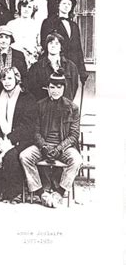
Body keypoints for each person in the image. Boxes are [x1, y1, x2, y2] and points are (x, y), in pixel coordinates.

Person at [19, 72, 82, 208]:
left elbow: (74, 135)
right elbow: (35, 132)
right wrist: (44, 146)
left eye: (59, 87)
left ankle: (59, 192)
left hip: (64, 147)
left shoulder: (72, 108)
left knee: (76, 160)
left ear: (64, 88)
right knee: (25, 156)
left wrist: (59, 148)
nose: (55, 91)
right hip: (44, 145)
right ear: (47, 88)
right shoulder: (40, 105)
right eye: (52, 87)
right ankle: (41, 193)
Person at [0, 67, 36, 203]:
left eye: (10, 78)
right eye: (4, 78)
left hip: (20, 139)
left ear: (17, 79)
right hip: (1, 138)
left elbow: (28, 125)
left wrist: (10, 140)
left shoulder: (27, 97)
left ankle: (14, 193)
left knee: (12, 155)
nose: (6, 82)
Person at [40, 0, 88, 85]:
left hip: (72, 68)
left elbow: (78, 49)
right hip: (56, 65)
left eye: (69, 4)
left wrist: (82, 70)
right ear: (58, 5)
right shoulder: (49, 22)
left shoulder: (74, 26)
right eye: (64, 3)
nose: (66, 6)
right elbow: (44, 44)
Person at [27, 33, 79, 101]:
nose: (53, 46)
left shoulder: (71, 67)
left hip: (64, 108)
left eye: (57, 43)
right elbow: (32, 89)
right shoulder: (36, 67)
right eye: (51, 43)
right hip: (44, 108)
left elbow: (73, 88)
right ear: (47, 46)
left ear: (61, 47)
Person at [7, 0, 43, 68]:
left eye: (29, 7)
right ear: (20, 8)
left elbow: (39, 44)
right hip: (14, 57)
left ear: (33, 9)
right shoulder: (11, 24)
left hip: (31, 58)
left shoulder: (37, 25)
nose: (26, 9)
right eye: (24, 6)